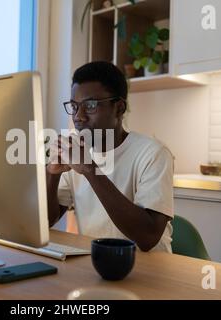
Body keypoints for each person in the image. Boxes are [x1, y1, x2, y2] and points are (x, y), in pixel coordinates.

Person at [45, 61, 174, 252]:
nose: (78, 116)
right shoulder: (77, 154)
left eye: (90, 106)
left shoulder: (153, 154)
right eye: (74, 106)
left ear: (119, 108)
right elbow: (47, 220)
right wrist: (52, 173)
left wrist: (90, 169)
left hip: (149, 269)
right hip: (95, 263)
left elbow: (147, 237)